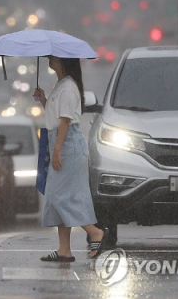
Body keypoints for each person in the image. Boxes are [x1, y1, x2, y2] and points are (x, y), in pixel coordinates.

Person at [33, 55, 107, 261]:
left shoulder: (68, 87)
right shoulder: (61, 85)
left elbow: (65, 122)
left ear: (63, 61)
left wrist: (57, 150)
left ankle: (94, 232)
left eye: (53, 57)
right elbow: (56, 115)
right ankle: (64, 249)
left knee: (60, 196)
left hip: (67, 145)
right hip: (61, 142)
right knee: (61, 195)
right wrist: (44, 100)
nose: (49, 59)